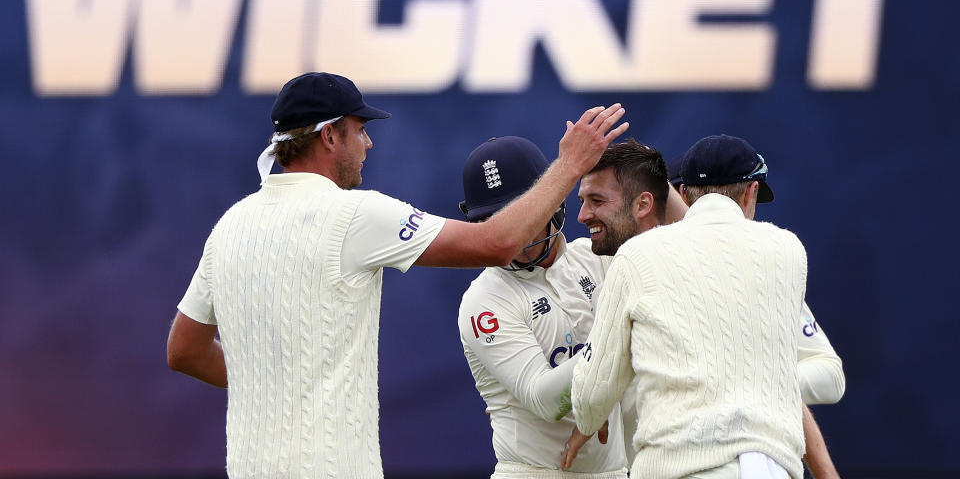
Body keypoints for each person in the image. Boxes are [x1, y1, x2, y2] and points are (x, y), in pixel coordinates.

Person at [165, 72, 628, 479]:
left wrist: (269, 381)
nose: (367, 143)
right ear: (329, 137)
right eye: (359, 130)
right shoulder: (354, 214)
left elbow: (184, 350)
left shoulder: (229, 226)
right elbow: (496, 243)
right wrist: (568, 165)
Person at [566, 134, 812, 479]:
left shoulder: (637, 257)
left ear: (683, 194)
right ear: (751, 193)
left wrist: (588, 416)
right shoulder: (789, 252)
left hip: (679, 466)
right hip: (770, 468)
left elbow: (593, 392)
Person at [456, 138, 676, 479]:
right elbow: (543, 399)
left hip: (615, 472)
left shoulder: (597, 257)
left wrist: (644, 163)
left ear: (554, 202)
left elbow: (682, 235)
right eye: (497, 219)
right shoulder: (483, 300)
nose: (511, 233)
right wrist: (620, 342)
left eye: (522, 213)